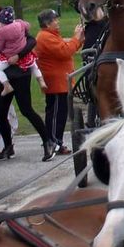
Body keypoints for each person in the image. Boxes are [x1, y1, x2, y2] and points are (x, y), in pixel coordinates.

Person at [0, 6, 53, 162]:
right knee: (0, 114)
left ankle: (48, 141)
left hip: (19, 75)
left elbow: (31, 41)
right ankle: (8, 147)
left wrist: (18, 55)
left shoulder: (13, 28)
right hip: (3, 79)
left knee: (26, 109)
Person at [35, 9, 84, 157]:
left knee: (60, 113)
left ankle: (56, 141)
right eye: (55, 20)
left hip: (60, 82)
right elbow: (65, 51)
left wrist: (79, 39)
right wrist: (76, 37)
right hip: (56, 83)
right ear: (47, 23)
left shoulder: (51, 36)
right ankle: (54, 141)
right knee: (56, 114)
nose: (58, 22)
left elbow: (68, 49)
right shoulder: (45, 37)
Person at [0, 7, 46, 95]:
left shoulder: (1, 32)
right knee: (34, 66)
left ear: (1, 22)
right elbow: (28, 26)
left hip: (10, 55)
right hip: (24, 54)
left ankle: (6, 85)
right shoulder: (20, 24)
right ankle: (41, 80)